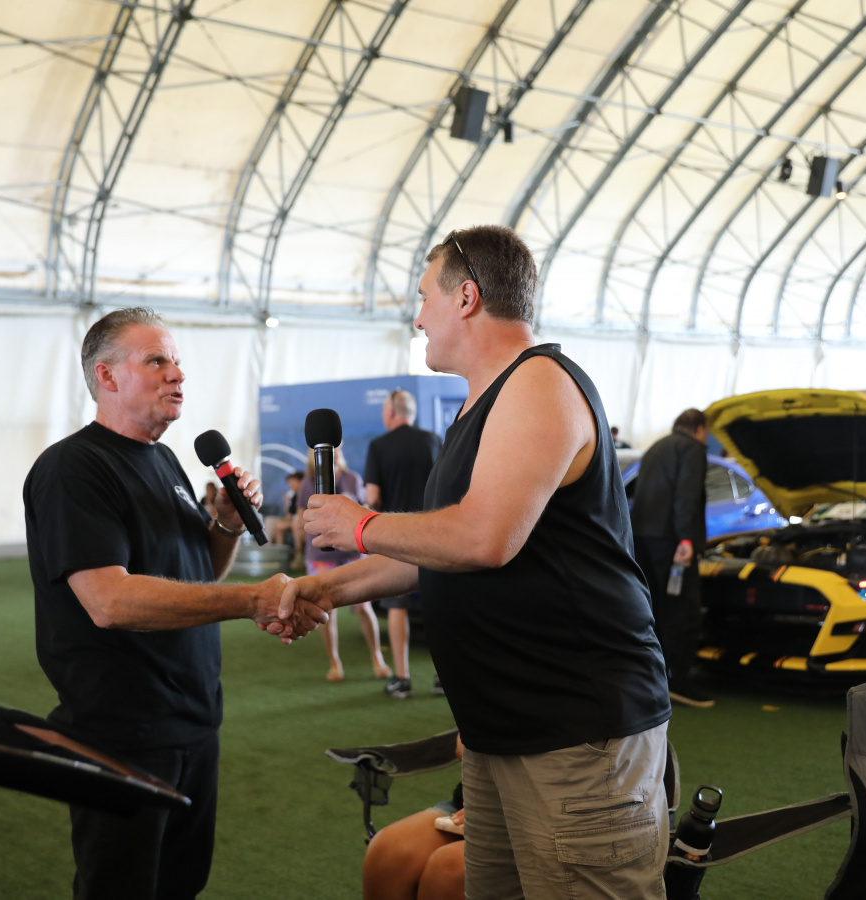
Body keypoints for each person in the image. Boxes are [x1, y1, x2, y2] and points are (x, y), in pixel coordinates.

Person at [282, 225, 671, 900]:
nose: (417, 317)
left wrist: (362, 525)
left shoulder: (538, 383)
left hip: (576, 731)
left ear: (466, 297)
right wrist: (328, 590)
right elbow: (438, 551)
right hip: (503, 731)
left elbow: (485, 538)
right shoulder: (480, 404)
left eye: (424, 296)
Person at [22, 307, 328, 900]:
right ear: (107, 376)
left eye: (178, 361)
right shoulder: (73, 468)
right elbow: (109, 601)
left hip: (191, 721)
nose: (177, 374)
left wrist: (227, 523)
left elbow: (198, 574)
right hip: (123, 731)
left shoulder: (163, 459)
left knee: (180, 884)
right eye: (156, 360)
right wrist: (253, 599)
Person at [629, 409, 714, 709]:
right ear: (700, 430)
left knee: (653, 609)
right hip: (672, 541)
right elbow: (686, 495)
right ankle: (678, 682)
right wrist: (686, 538)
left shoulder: (656, 447)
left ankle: (652, 677)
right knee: (682, 610)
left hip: (642, 539)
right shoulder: (692, 449)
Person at [364, 388, 442, 699]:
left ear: (392, 413)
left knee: (398, 606)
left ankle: (402, 678)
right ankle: (443, 678)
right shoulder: (434, 440)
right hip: (434, 536)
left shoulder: (378, 446)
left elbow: (372, 497)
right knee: (438, 607)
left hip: (396, 539)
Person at [298, 447, 391, 682]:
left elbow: (366, 510)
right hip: (320, 556)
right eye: (330, 448)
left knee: (363, 608)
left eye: (337, 447)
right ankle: (334, 662)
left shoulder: (352, 478)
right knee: (326, 612)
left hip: (352, 553)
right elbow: (301, 518)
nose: (336, 451)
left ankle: (377, 657)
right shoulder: (308, 483)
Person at [362, 734, 466, 900]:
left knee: (449, 868)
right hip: (473, 799)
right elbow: (464, 743)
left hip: (511, 811)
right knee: (388, 850)